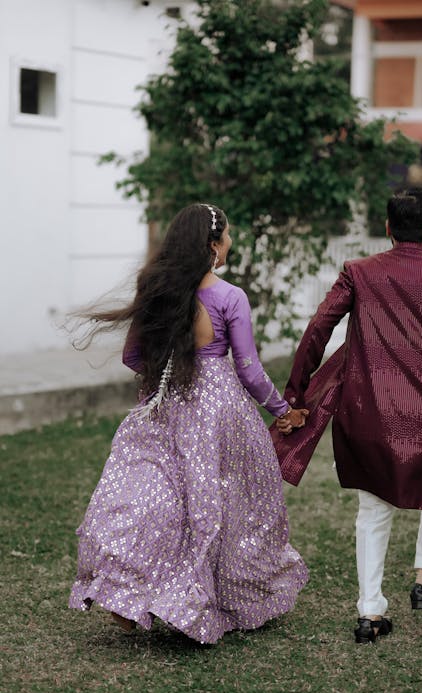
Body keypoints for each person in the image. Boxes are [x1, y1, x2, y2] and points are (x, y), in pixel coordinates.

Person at [69, 203, 309, 644]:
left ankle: (131, 591)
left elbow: (132, 356)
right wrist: (282, 410)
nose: (231, 243)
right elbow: (250, 370)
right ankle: (220, 597)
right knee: (226, 505)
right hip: (219, 412)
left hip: (165, 403)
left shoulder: (156, 289)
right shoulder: (229, 297)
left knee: (156, 497)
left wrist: (166, 377)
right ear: (213, 246)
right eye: (229, 236)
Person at [273, 188, 422, 644]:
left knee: (373, 505)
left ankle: (371, 610)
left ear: (387, 227)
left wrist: (297, 393)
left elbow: (319, 326)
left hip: (367, 406)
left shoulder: (358, 272)